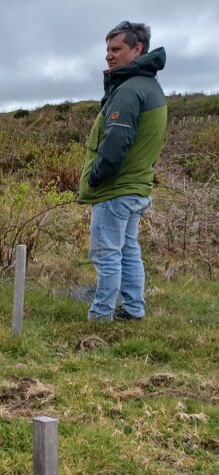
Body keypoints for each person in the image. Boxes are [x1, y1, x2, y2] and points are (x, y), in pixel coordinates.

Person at [79, 21, 167, 321]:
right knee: (128, 250)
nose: (109, 55)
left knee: (106, 254)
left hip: (116, 189)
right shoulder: (149, 87)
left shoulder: (129, 90)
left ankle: (101, 315)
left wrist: (95, 177)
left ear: (137, 49)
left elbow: (116, 143)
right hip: (135, 186)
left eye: (116, 49)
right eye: (107, 49)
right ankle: (133, 308)